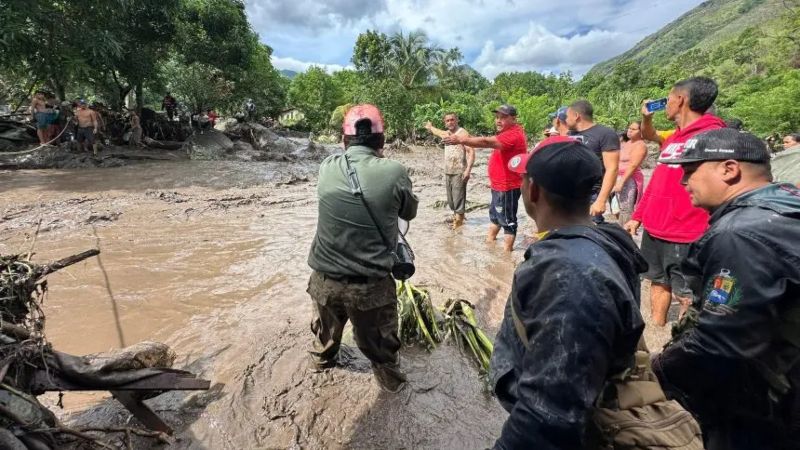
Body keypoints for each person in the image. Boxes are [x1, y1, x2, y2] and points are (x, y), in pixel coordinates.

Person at [490, 135, 647, 449]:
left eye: (524, 178)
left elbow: (550, 411)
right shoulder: (600, 239)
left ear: (533, 190)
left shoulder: (569, 274)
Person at [652, 128, 800, 450]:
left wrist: (655, 373)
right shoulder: (786, 201)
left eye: (690, 171)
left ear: (729, 169)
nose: (682, 181)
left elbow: (721, 340)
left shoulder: (740, 234)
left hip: (775, 408)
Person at [306, 104, 418, 393]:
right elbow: (409, 213)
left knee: (325, 340)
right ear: (381, 141)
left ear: (344, 141)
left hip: (323, 281)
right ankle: (392, 391)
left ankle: (321, 366)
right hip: (370, 288)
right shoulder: (395, 171)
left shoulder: (327, 167)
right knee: (382, 352)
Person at [626, 77, 726, 327]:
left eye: (669, 97)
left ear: (681, 99)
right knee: (657, 281)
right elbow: (659, 181)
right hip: (656, 227)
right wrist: (638, 216)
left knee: (687, 294)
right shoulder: (674, 138)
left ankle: (683, 345)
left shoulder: (714, 137)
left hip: (688, 232)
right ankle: (657, 334)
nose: (666, 103)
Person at [443, 105, 527, 252]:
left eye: (503, 118)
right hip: (498, 186)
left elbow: (486, 142)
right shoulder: (506, 132)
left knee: (508, 221)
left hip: (507, 186)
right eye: (497, 117)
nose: (498, 121)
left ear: (514, 119)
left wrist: (461, 139)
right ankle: (490, 243)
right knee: (495, 217)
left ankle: (506, 255)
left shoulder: (513, 135)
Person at [565, 100, 621, 223]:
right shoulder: (569, 134)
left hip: (590, 195)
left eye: (567, 116)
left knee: (589, 233)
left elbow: (612, 169)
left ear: (576, 116)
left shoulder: (605, 134)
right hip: (568, 194)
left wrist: (601, 200)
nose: (565, 120)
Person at [425, 113, 475, 228]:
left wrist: (468, 170)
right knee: (451, 202)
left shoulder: (462, 133)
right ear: (445, 122)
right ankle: (458, 220)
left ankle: (457, 230)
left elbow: (471, 151)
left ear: (457, 120)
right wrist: (430, 127)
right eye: (447, 121)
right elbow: (437, 131)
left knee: (458, 202)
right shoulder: (446, 134)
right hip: (448, 171)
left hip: (459, 172)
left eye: (452, 120)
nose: (450, 122)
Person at [613, 121, 648, 225]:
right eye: (629, 128)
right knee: (617, 208)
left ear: (641, 132)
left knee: (626, 210)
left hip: (629, 179)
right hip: (619, 177)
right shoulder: (627, 143)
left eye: (633, 129)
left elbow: (633, 165)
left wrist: (621, 181)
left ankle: (625, 235)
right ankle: (620, 232)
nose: (630, 131)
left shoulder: (640, 145)